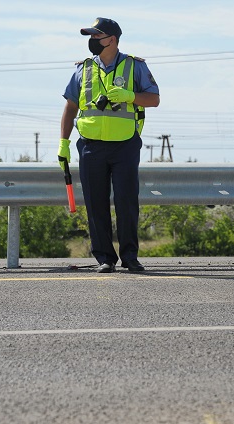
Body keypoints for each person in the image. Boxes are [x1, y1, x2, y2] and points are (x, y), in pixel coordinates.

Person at [59, 17, 160, 273]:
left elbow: (154, 99)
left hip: (125, 144)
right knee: (95, 204)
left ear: (112, 39)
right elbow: (70, 107)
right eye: (91, 37)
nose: (92, 41)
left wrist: (130, 96)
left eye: (97, 36)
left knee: (127, 202)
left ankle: (130, 257)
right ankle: (105, 258)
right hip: (91, 146)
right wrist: (64, 143)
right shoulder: (83, 69)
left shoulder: (134, 66)